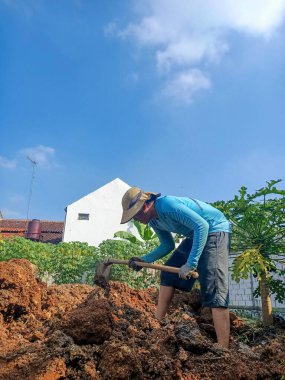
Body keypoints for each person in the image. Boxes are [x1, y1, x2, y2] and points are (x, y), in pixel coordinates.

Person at [120, 186, 231, 349]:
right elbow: (167, 244)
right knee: (168, 274)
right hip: (195, 235)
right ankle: (157, 324)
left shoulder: (168, 205)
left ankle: (223, 347)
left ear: (145, 206)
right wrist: (144, 260)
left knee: (214, 285)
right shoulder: (154, 220)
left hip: (215, 230)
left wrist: (191, 263)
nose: (135, 219)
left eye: (136, 214)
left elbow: (202, 226)